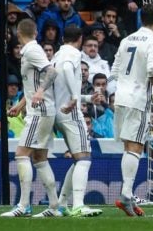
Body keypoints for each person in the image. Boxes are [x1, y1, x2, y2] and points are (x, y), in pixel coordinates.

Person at [1, 19, 60, 218]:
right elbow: (33, 86)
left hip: (39, 112)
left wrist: (41, 91)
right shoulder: (31, 51)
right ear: (35, 33)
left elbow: (52, 71)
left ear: (19, 34)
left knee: (21, 154)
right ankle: (54, 206)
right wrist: (19, 106)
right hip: (41, 110)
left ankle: (24, 205)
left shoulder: (32, 51)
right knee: (39, 158)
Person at [111, 4, 153, 217]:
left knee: (128, 147)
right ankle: (126, 195)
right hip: (138, 98)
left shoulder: (126, 39)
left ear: (141, 18)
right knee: (136, 147)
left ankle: (127, 195)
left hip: (120, 97)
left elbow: (114, 70)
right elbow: (152, 69)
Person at [51, 26, 103, 217]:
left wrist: (86, 99)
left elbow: (59, 85)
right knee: (85, 158)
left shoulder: (57, 55)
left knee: (77, 158)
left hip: (57, 112)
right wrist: (74, 97)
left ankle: (63, 203)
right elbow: (66, 71)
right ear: (80, 39)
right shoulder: (73, 54)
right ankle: (79, 205)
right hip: (71, 112)